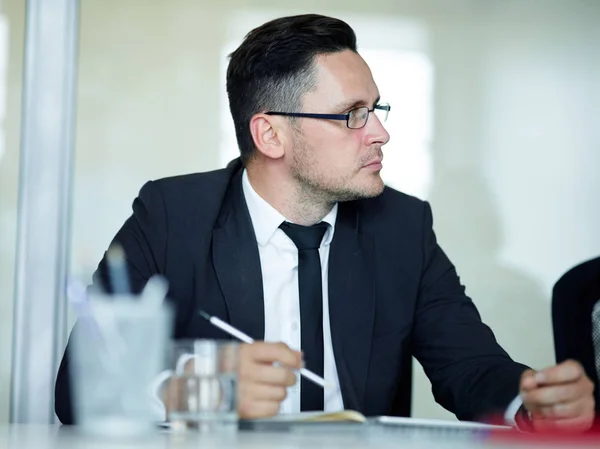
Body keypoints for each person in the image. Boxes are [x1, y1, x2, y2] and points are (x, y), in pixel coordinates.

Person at [54, 13, 595, 431]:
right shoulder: (174, 216)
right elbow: (78, 390)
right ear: (270, 136)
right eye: (351, 115)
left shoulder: (401, 226)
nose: (379, 134)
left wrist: (532, 403)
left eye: (376, 111)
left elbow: (470, 367)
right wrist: (197, 391)